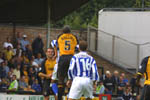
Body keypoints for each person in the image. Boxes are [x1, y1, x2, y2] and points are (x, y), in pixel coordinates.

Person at [57, 25, 78, 100]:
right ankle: (70, 96)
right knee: (71, 78)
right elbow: (76, 47)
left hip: (62, 58)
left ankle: (60, 98)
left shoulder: (60, 36)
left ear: (63, 31)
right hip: (71, 58)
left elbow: (57, 45)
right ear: (70, 31)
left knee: (60, 79)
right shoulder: (73, 37)